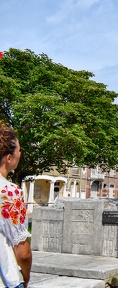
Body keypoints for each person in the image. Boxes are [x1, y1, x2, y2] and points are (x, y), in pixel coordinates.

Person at [0, 121, 32, 288]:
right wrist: (25, 276)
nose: (21, 153)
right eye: (19, 149)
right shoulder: (9, 192)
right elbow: (23, 252)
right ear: (9, 157)